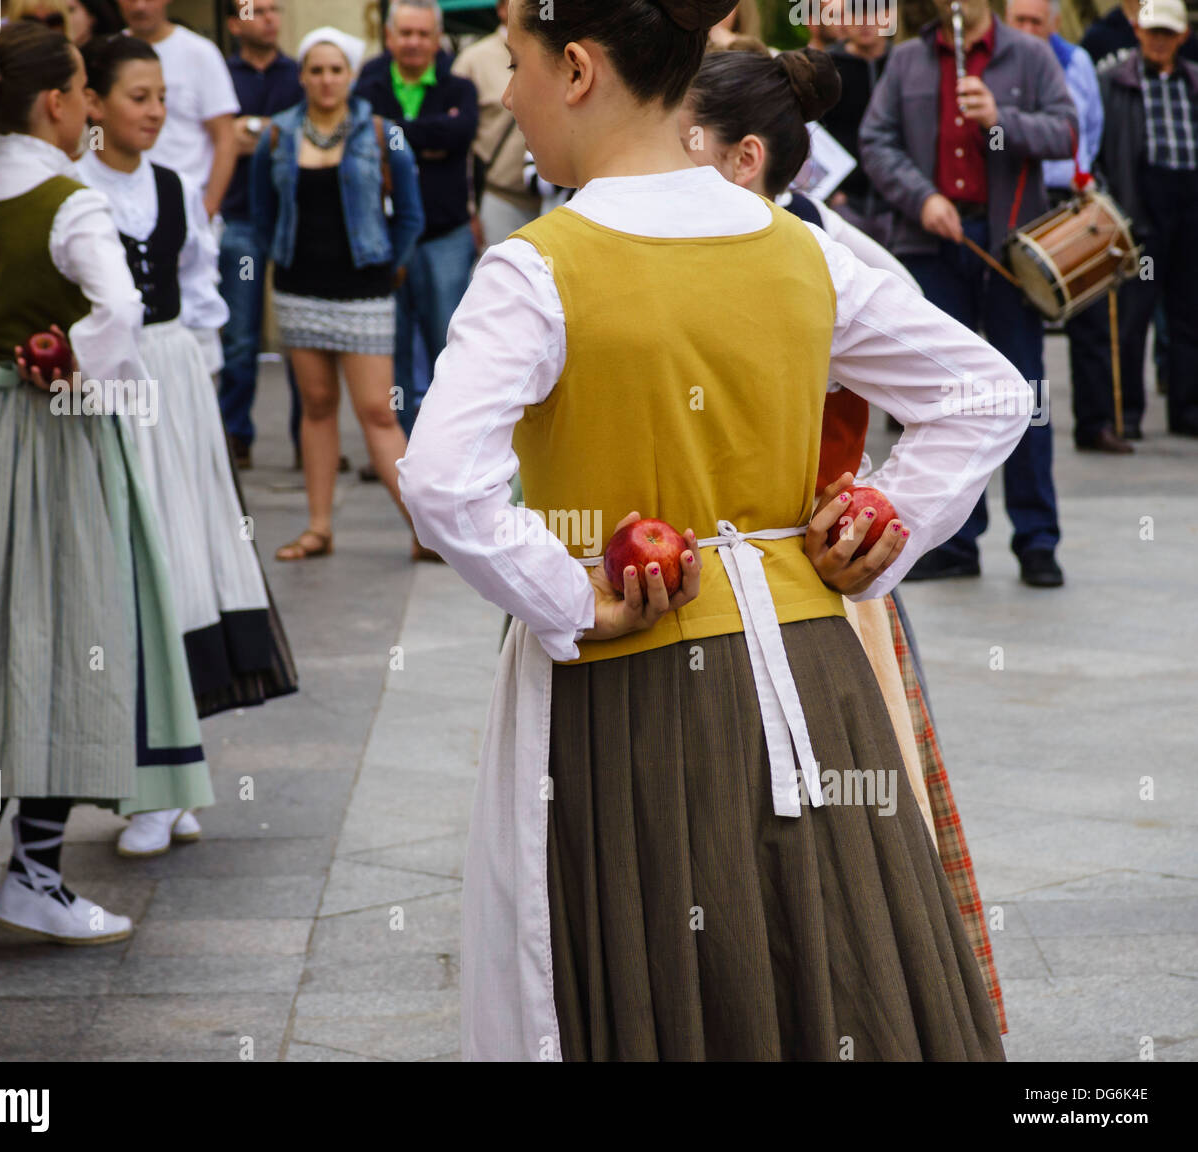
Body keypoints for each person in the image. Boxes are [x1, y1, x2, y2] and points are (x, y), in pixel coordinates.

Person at [399, 0, 1030, 1061]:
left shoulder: (538, 267)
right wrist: (881, 523)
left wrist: (569, 598)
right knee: (825, 964)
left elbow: (442, 483)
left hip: (631, 685)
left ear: (579, 70)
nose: (508, 94)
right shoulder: (803, 251)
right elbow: (987, 393)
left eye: (516, 65)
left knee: (664, 972)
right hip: (816, 671)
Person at [681, 43, 1007, 1036]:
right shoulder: (656, 241)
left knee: (827, 844)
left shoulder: (834, 255)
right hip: (687, 585)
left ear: (743, 158)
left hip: (809, 589)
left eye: (678, 135)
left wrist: (879, 516)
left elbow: (972, 391)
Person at [0, 20, 209, 954]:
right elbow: (118, 310)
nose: (86, 108)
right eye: (81, 90)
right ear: (57, 104)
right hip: (52, 436)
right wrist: (72, 373)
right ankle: (31, 872)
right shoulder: (71, 204)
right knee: (69, 640)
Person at [78, 33, 297, 855]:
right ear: (92, 102)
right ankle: (147, 783)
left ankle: (177, 770)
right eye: (139, 96)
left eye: (163, 97)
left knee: (181, 569)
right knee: (127, 577)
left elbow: (201, 301)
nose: (157, 111)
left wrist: (198, 412)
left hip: (171, 387)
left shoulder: (174, 188)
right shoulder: (72, 193)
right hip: (103, 393)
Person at [860, 0, 1077, 588]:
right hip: (934, 242)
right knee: (944, 398)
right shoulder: (908, 60)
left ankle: (1037, 539)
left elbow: (1066, 133)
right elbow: (875, 142)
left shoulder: (1028, 56)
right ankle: (954, 543)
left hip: (1008, 245)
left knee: (1028, 390)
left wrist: (1000, 119)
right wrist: (922, 198)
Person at [251, 27, 428, 562]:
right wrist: (280, 260)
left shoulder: (381, 132)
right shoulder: (277, 136)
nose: (327, 80)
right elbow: (261, 212)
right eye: (316, 69)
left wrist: (386, 268)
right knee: (317, 406)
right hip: (299, 290)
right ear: (302, 75)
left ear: (351, 75)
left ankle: (424, 533)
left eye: (337, 69)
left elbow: (411, 215)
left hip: (364, 292)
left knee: (378, 410)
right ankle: (319, 528)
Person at [1005, 0, 1128, 454]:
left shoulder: (1075, 60)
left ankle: (1095, 424)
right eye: (1020, 20)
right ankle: (1016, 425)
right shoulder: (997, 63)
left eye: (1037, 21)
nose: (1029, 29)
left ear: (1055, 23)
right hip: (1017, 200)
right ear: (1007, 20)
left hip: (1068, 197)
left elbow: (1089, 128)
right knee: (1015, 325)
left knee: (1092, 316)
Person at [353, 0, 478, 440]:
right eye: (405, 33)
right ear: (389, 37)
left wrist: (392, 132)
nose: (413, 42)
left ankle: (450, 445)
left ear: (436, 38)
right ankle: (401, 448)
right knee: (392, 353)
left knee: (450, 348)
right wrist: (426, 134)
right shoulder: (365, 83)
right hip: (384, 241)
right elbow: (359, 136)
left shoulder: (460, 87)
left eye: (423, 34)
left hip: (445, 237)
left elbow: (459, 133)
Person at [1096, 0, 1198, 438]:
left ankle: (1188, 409)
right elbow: (1097, 145)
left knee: (1189, 315)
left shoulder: (1194, 81)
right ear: (1137, 31)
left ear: (1183, 36)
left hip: (1190, 203)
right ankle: (1129, 415)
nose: (1159, 40)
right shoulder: (1114, 81)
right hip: (1140, 203)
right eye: (1152, 31)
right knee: (1133, 316)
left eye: (1167, 33)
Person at [217, 0, 304, 472]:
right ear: (235, 22)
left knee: (299, 338)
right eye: (257, 9)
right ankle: (235, 437)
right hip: (239, 219)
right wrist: (270, 132)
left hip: (293, 221)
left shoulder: (298, 74)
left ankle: (305, 440)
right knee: (240, 336)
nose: (270, 17)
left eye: (275, 9)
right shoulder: (221, 74)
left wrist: (251, 131)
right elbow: (222, 138)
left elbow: (299, 134)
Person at [117, 0, 238, 221]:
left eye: (162, 98)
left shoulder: (201, 53)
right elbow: (96, 131)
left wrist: (208, 207)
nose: (140, 6)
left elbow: (225, 138)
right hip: (124, 208)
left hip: (190, 205)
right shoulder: (107, 53)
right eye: (139, 97)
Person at [453, 0, 539, 250]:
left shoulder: (555, 49)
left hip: (554, 199)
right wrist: (470, 210)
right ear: (502, 8)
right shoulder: (473, 60)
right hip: (500, 199)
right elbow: (460, 144)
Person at [822, 0, 895, 244]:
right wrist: (831, 192)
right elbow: (810, 133)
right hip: (844, 206)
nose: (865, 20)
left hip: (899, 209)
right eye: (856, 10)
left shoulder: (905, 64)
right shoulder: (826, 67)